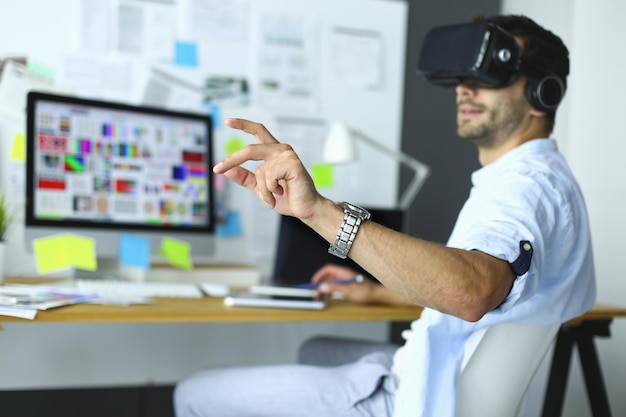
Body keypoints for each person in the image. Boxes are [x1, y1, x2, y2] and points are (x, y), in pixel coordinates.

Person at [174, 14, 595, 417]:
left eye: (490, 74)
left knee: (193, 393)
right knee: (315, 349)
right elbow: (487, 297)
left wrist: (318, 211)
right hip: (436, 368)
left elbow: (473, 292)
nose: (465, 88)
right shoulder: (537, 179)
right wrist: (376, 292)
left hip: (420, 396)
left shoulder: (524, 187)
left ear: (544, 93)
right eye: (463, 74)